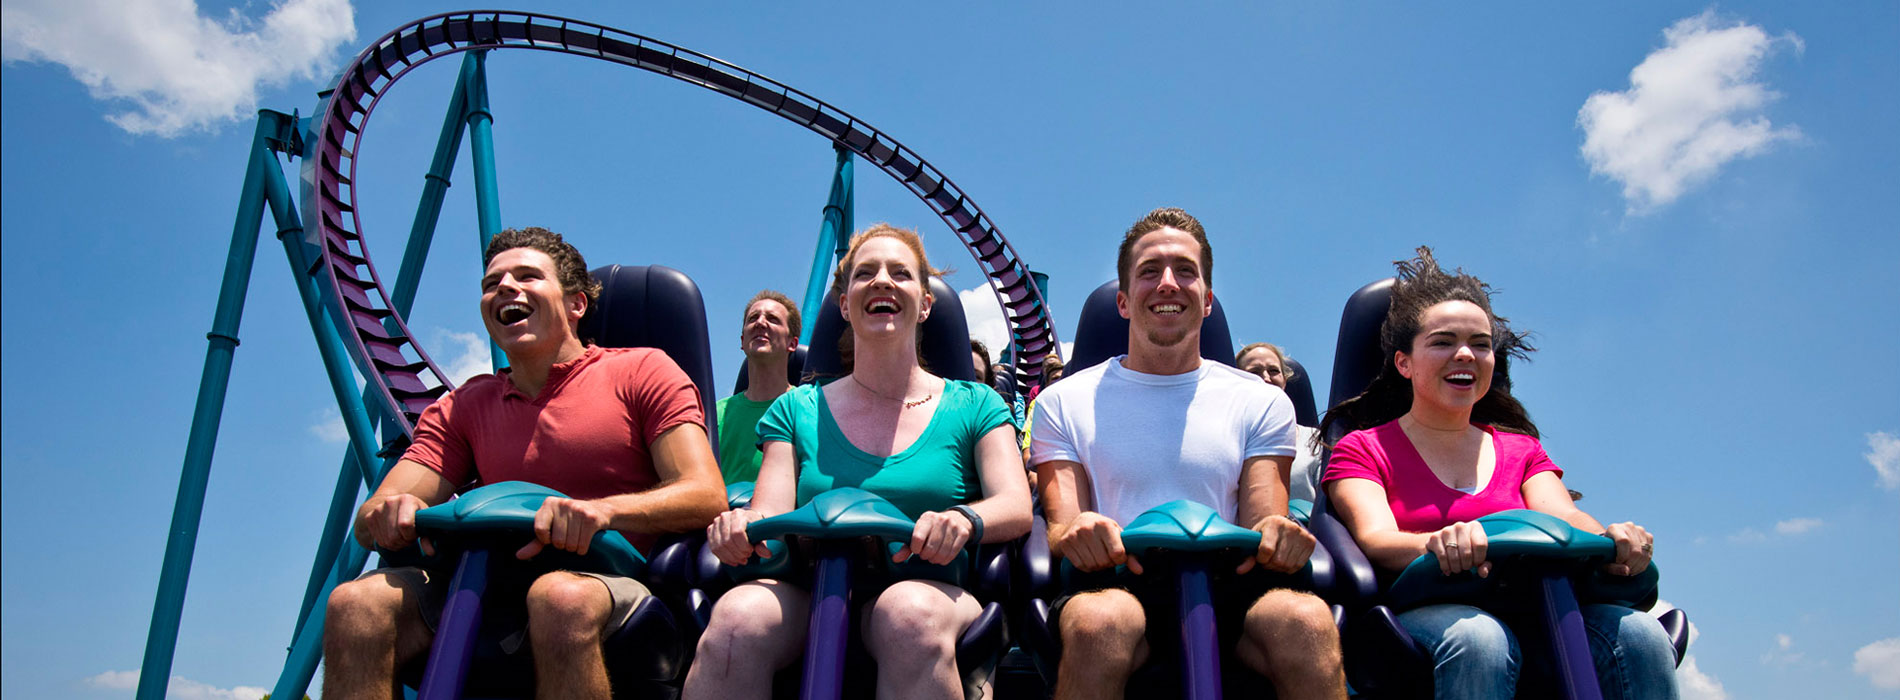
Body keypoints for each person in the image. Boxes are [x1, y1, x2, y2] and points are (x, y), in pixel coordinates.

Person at [323, 227, 728, 700]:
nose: (505, 288)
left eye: (527, 276)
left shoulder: (642, 372)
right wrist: (392, 510)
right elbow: (372, 518)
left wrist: (601, 512)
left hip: (609, 579)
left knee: (559, 598)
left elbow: (705, 494)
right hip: (486, 584)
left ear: (576, 304)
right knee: (356, 603)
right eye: (491, 284)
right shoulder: (464, 405)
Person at [684, 224, 1032, 700]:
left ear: (925, 304)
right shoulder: (796, 408)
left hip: (930, 587)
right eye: (865, 273)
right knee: (735, 621)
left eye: (900, 273)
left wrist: (963, 519)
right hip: (809, 591)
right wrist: (741, 526)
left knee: (908, 616)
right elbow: (769, 511)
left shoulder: (976, 403)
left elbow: (1015, 504)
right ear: (845, 305)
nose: (882, 281)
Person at [1320, 247, 1676, 700]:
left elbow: (1565, 518)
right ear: (1404, 363)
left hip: (1534, 605)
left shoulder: (1521, 449)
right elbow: (1376, 538)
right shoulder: (1362, 447)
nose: (1465, 354)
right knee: (1480, 639)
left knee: (1643, 636)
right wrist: (1438, 543)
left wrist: (1613, 538)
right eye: (1443, 342)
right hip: (1422, 609)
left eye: (1481, 344)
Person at [1031, 207, 1347, 700]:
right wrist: (1080, 531)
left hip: (1231, 584)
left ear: (1207, 300)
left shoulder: (1261, 401)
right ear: (1122, 301)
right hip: (1112, 581)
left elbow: (1263, 519)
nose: (1167, 284)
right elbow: (1062, 526)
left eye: (1185, 270)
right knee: (1099, 625)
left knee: (1306, 622)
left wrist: (1278, 534)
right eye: (1149, 271)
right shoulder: (1063, 401)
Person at [715, 290, 801, 484]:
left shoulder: (808, 409)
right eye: (753, 318)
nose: (760, 323)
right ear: (742, 341)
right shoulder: (714, 415)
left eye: (773, 319)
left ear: (792, 343)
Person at [1237, 342, 1322, 503]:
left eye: (1273, 371)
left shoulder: (1316, 439)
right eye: (1254, 372)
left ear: (1284, 380)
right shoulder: (1226, 440)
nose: (1266, 378)